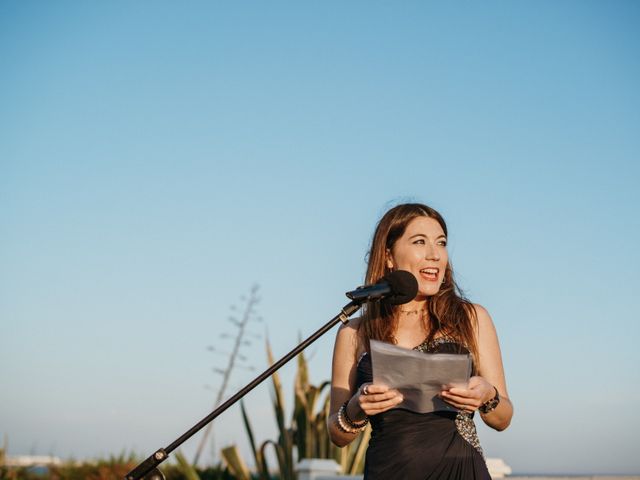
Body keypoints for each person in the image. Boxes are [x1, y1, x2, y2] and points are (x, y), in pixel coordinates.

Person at [328, 203, 513, 479]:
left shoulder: (472, 318)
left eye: (441, 243)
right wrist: (356, 408)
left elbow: (503, 418)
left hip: (461, 470)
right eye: (419, 242)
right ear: (389, 256)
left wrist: (487, 395)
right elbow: (337, 433)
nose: (435, 254)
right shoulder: (355, 332)